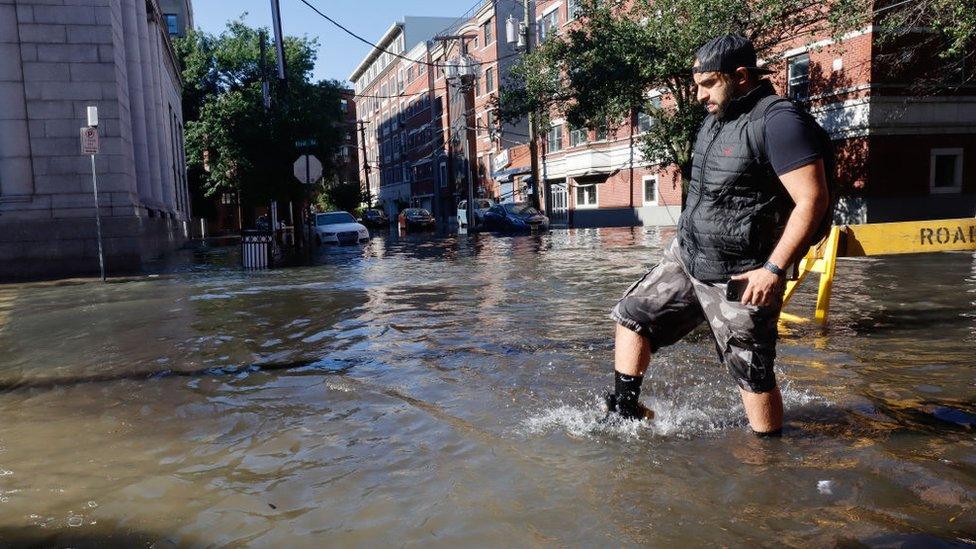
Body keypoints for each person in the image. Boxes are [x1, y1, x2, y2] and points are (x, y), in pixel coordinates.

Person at [605, 35, 829, 437]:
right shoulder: (715, 119)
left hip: (741, 275)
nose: (698, 95)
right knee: (632, 316)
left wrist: (774, 269)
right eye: (697, 85)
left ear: (740, 76)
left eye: (707, 83)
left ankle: (770, 460)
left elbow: (812, 200)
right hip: (689, 258)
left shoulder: (778, 121)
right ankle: (624, 412)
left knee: (752, 374)